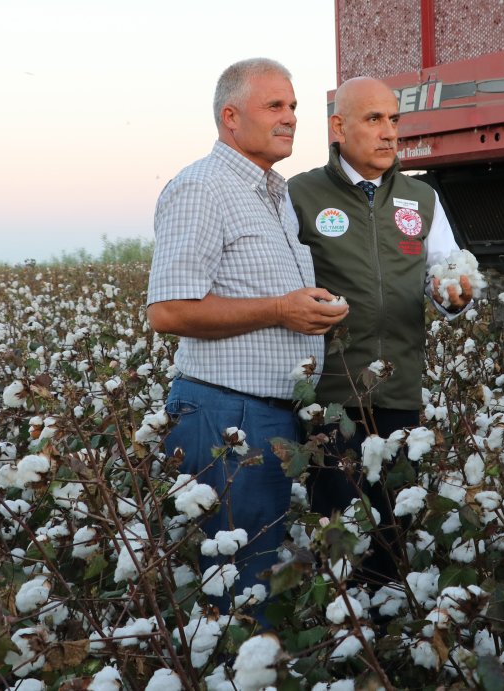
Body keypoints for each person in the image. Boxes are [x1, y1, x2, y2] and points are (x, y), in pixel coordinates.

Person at [146, 58, 349, 615]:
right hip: (226, 414)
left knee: (259, 573)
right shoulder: (201, 188)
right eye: (275, 106)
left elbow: (252, 288)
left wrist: (305, 300)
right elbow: (167, 311)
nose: (291, 119)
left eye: (293, 107)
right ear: (230, 117)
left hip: (269, 414)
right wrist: (282, 309)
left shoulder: (274, 193)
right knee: (237, 587)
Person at [289, 77, 473, 585]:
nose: (390, 132)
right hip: (330, 395)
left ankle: (387, 639)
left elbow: (446, 273)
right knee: (340, 534)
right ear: (338, 127)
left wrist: (455, 295)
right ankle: (343, 643)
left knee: (393, 530)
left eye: (394, 119)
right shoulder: (300, 195)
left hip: (399, 390)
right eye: (374, 120)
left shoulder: (422, 198)